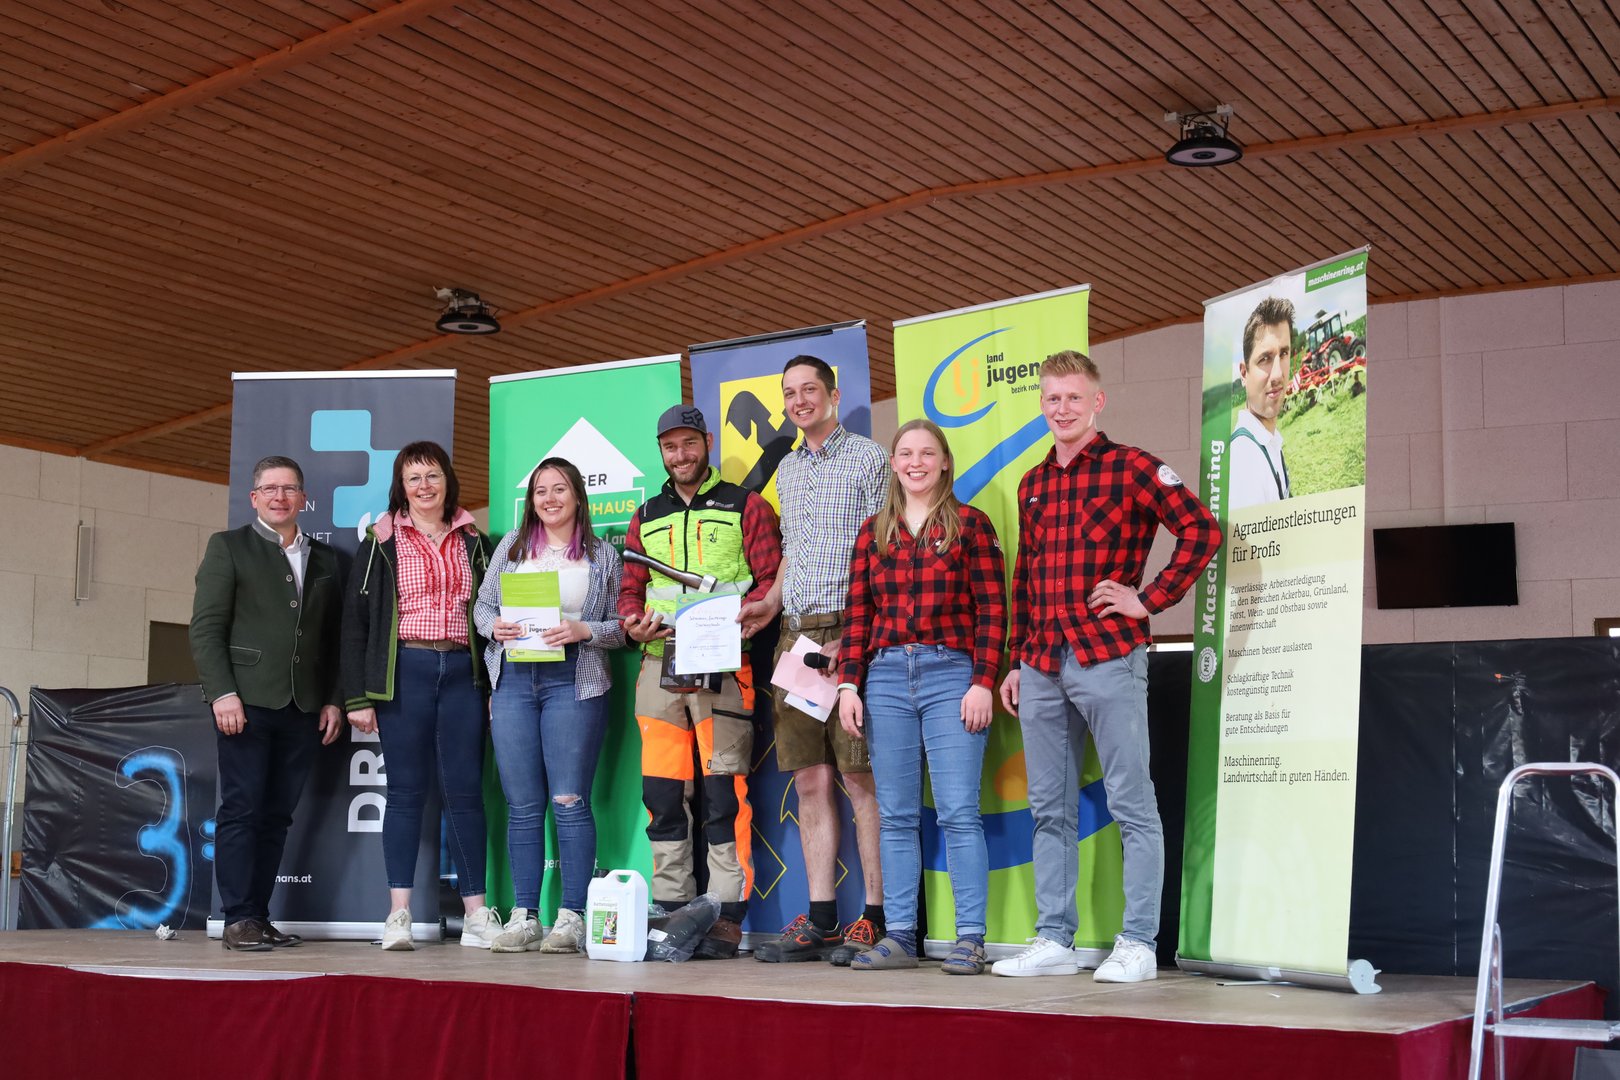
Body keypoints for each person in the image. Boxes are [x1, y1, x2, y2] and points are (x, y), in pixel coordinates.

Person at [993, 350, 1220, 982]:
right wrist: (1016, 661)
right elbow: (1025, 576)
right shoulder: (1032, 483)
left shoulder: (1133, 467)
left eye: (1074, 397)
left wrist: (1148, 599)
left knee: (1132, 803)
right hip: (1042, 661)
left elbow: (1201, 530)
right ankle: (1054, 939)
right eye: (1052, 398)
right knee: (1049, 809)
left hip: (1108, 656)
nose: (1062, 408)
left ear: (1097, 402)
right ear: (1042, 405)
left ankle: (1139, 943)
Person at [835, 419, 1005, 974]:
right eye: (905, 453)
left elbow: (993, 610)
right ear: (893, 464)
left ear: (945, 461)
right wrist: (849, 684)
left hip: (951, 674)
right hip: (884, 678)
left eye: (927, 453)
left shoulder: (971, 525)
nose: (916, 462)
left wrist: (983, 680)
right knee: (896, 817)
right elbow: (858, 616)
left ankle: (970, 938)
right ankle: (902, 937)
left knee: (958, 812)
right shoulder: (872, 533)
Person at [619, 404, 782, 960]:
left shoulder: (746, 505)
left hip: (724, 665)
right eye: (670, 446)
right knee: (662, 795)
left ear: (707, 442)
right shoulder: (645, 515)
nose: (680, 455)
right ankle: (671, 909)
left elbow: (768, 581)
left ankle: (725, 916)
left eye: (689, 443)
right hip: (658, 665)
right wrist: (631, 621)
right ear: (661, 451)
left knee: (723, 795)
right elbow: (630, 589)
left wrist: (747, 612)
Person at [741, 355, 889, 966]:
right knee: (810, 779)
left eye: (809, 390)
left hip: (851, 632)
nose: (799, 400)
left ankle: (875, 916)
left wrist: (857, 638)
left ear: (833, 393)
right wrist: (769, 603)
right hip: (795, 638)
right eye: (789, 393)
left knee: (860, 779)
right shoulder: (788, 468)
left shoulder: (870, 458)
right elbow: (794, 551)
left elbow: (885, 550)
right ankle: (822, 917)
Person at [340, 441, 499, 951]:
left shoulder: (477, 541)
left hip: (463, 672)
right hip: (404, 671)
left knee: (466, 793)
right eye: (414, 478)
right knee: (406, 793)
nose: (424, 486)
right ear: (401, 487)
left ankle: (476, 915)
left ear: (448, 480)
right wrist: (358, 697)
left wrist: (494, 685)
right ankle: (399, 915)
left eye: (432, 475)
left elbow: (492, 617)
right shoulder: (380, 540)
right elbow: (355, 624)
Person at [190, 455, 345, 951]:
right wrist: (222, 693)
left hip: (304, 707)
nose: (280, 497)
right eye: (270, 489)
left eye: (289, 488)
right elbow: (206, 628)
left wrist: (333, 700)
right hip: (246, 703)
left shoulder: (327, 559)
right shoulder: (228, 547)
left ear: (304, 498)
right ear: (254, 497)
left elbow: (335, 639)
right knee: (242, 809)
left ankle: (258, 916)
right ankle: (238, 918)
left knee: (277, 816)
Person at [474, 457, 625, 953]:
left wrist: (585, 630)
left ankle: (572, 916)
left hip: (574, 680)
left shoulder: (602, 555)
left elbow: (622, 626)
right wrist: (494, 627)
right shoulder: (512, 548)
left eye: (559, 489)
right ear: (531, 501)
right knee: (521, 805)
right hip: (515, 680)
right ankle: (525, 916)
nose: (550, 498)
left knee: (569, 800)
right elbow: (482, 607)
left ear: (578, 495)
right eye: (541, 490)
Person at [1230, 296, 1295, 510]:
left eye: (1283, 354)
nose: (1277, 374)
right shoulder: (1244, 457)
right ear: (1244, 373)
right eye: (1265, 359)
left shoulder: (1269, 442)